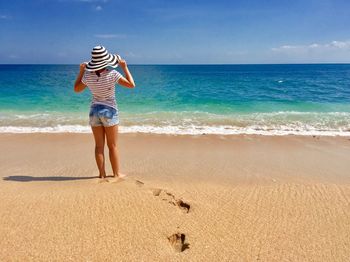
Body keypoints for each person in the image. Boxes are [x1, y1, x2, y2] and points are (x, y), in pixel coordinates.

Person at [74, 45, 135, 179]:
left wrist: (81, 72)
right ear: (107, 61)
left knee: (98, 146)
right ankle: (116, 174)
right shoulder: (112, 74)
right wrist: (124, 67)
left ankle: (101, 175)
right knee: (112, 146)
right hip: (109, 111)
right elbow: (131, 85)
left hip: (94, 111)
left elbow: (76, 89)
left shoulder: (88, 76)